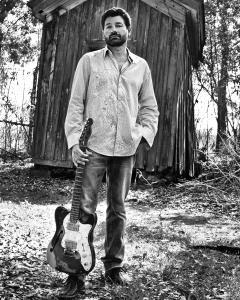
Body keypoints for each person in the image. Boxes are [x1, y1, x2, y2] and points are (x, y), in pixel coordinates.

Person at [59, 6, 159, 298]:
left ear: (128, 31)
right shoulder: (88, 62)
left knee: (118, 209)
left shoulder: (141, 66)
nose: (113, 30)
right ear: (103, 32)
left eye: (118, 25)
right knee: (83, 210)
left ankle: (113, 267)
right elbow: (76, 104)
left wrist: (142, 134)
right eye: (108, 27)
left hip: (126, 149)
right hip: (93, 147)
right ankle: (76, 271)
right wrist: (75, 142)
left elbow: (150, 107)